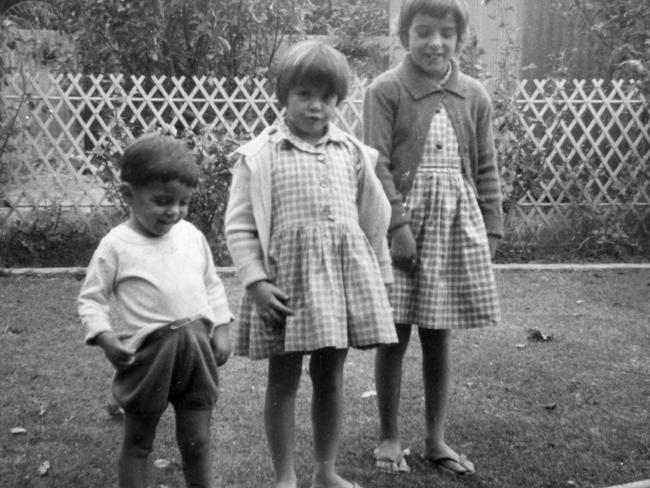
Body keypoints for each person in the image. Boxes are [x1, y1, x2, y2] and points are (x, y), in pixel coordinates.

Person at [225, 40, 397, 488]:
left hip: (339, 287)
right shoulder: (261, 157)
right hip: (286, 290)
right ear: (284, 95)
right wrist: (256, 282)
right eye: (304, 94)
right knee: (282, 380)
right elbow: (240, 228)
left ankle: (325, 471)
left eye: (326, 97)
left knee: (330, 376)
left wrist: (379, 275)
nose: (315, 106)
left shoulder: (353, 154)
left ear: (338, 101)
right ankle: (285, 476)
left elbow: (374, 222)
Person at [363, 0, 503, 476]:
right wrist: (397, 228)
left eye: (446, 33)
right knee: (394, 335)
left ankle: (436, 438)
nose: (435, 42)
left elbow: (485, 165)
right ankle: (388, 436)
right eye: (424, 32)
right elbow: (375, 164)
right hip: (404, 227)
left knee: (439, 336)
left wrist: (492, 227)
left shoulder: (474, 95)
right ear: (406, 35)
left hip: (453, 230)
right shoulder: (387, 89)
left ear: (460, 38)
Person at [78, 133, 233, 488]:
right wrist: (105, 338)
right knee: (138, 442)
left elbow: (212, 284)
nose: (174, 211)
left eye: (183, 202)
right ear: (129, 194)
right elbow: (91, 299)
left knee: (197, 440)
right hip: (150, 358)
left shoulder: (191, 235)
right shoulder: (116, 245)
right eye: (163, 201)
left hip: (196, 353)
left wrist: (221, 326)